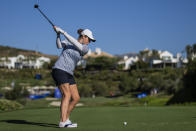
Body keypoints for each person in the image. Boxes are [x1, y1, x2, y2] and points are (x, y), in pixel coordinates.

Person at [52, 26, 96, 128]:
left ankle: (66, 119)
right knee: (67, 95)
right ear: (84, 36)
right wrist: (58, 34)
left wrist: (63, 32)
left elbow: (76, 44)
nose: (89, 42)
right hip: (59, 69)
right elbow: (59, 46)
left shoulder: (85, 48)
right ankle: (62, 122)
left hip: (69, 73)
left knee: (76, 98)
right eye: (89, 39)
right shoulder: (69, 42)